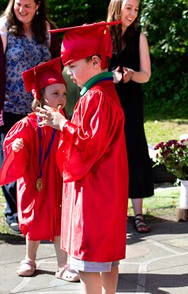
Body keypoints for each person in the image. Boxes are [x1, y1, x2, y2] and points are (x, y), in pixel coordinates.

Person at [37, 21, 128, 294]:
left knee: (89, 257)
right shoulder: (103, 92)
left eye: (73, 65)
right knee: (107, 256)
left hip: (94, 186)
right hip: (108, 185)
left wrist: (61, 124)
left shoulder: (96, 96)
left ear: (96, 61)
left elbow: (89, 144)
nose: (68, 72)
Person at [0, 58, 78, 282]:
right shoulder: (28, 123)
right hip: (35, 178)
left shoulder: (64, 121)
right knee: (33, 221)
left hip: (58, 179)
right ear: (41, 95)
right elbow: (16, 144)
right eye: (55, 93)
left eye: (63, 94)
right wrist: (16, 147)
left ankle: (63, 264)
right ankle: (29, 259)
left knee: (58, 220)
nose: (61, 98)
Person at [0, 0, 60, 233]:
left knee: (36, 162)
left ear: (38, 6)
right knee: (10, 158)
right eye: (18, 4)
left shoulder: (46, 30)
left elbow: (57, 65)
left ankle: (34, 212)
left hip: (38, 110)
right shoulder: (3, 28)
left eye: (27, 6)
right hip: (9, 107)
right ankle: (13, 212)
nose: (21, 10)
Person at [107, 0, 154, 233]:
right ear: (116, 8)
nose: (132, 13)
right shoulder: (102, 36)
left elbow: (146, 75)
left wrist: (130, 75)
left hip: (132, 103)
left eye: (136, 9)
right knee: (111, 155)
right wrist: (111, 77)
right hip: (107, 102)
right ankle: (114, 212)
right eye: (128, 8)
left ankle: (138, 214)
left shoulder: (139, 37)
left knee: (135, 151)